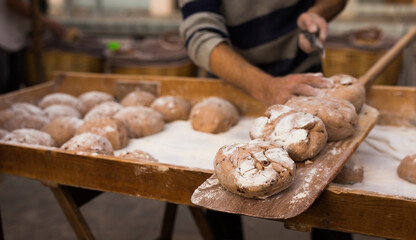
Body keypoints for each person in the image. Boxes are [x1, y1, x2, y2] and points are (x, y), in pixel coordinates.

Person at [179, 1, 353, 240]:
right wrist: (265, 86)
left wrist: (315, 13)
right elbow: (200, 34)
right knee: (227, 186)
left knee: (328, 195)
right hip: (234, 82)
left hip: (305, 87)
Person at [0, 0, 66, 94]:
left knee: (12, 88)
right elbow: (13, 2)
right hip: (3, 39)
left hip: (15, 38)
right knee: (4, 86)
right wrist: (44, 20)